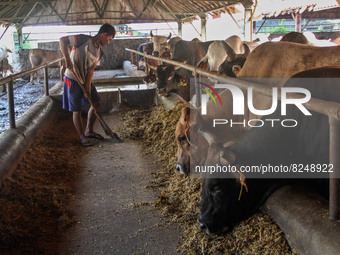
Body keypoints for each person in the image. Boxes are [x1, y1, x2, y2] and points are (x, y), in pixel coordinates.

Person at [59, 24, 115, 147]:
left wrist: (88, 88)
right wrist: (67, 59)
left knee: (96, 102)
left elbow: (91, 70)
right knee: (76, 109)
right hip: (72, 78)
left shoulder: (100, 53)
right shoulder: (83, 40)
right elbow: (63, 41)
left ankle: (89, 130)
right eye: (109, 39)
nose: (108, 42)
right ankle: (81, 136)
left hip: (84, 79)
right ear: (103, 35)